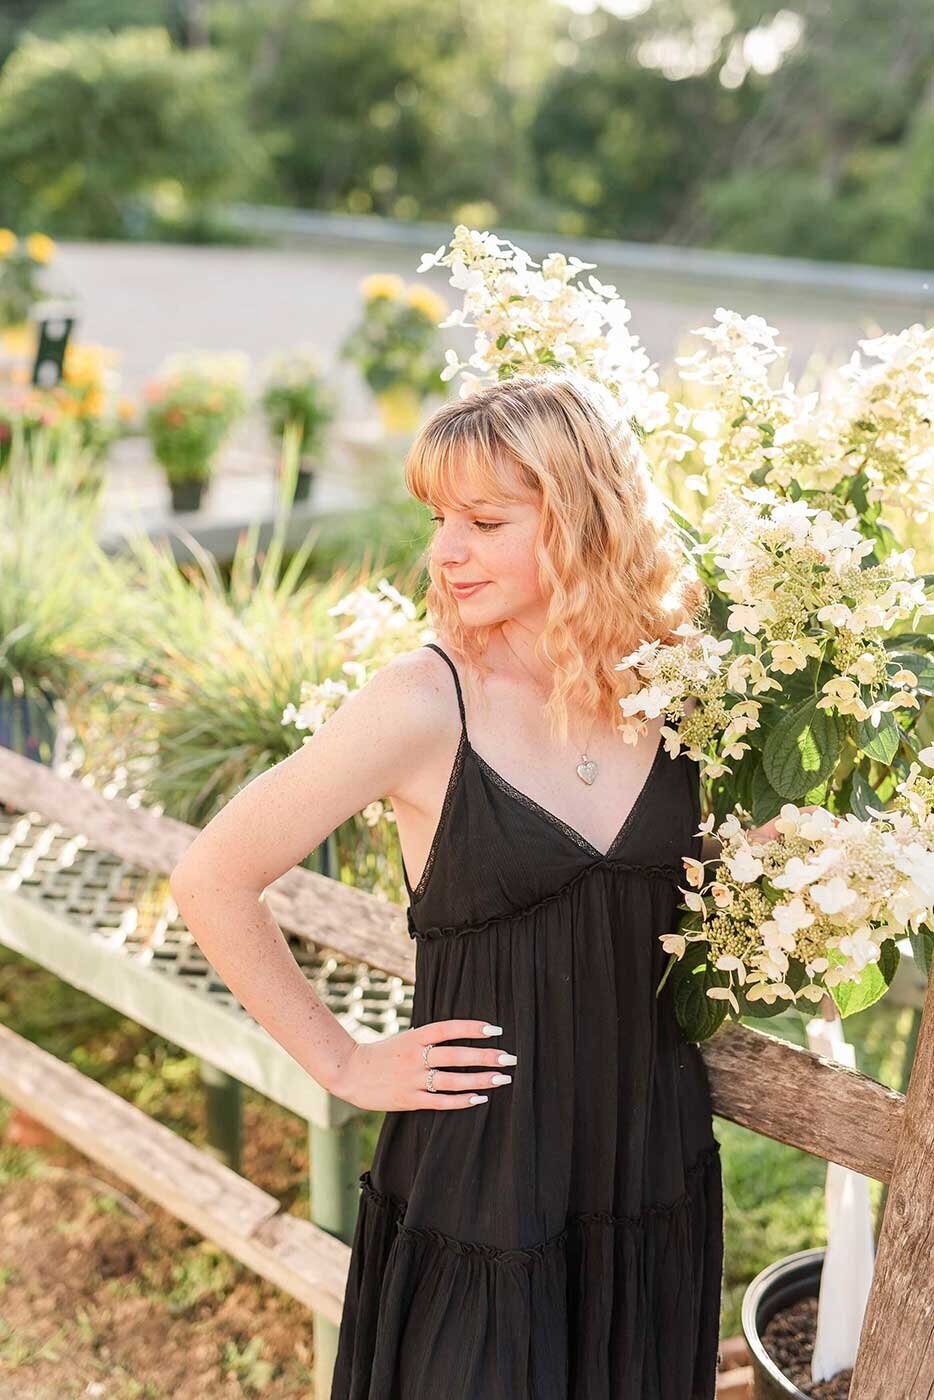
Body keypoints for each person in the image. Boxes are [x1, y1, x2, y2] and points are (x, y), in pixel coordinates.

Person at [171, 369, 730, 1399]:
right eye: (438, 518)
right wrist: (339, 1058)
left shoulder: (686, 687)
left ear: (582, 512)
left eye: (483, 518)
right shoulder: (422, 702)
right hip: (483, 1183)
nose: (444, 550)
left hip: (647, 1165)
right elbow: (213, 875)